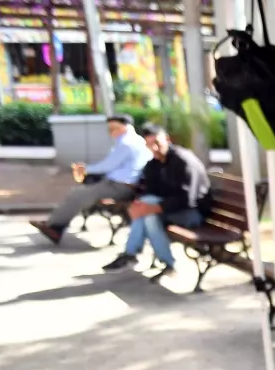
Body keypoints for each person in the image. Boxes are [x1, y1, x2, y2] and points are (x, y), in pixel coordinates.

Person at [101, 124, 211, 277]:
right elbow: (150, 191)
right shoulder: (154, 164)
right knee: (146, 211)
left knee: (149, 216)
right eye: (149, 145)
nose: (154, 149)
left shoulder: (183, 161)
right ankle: (142, 257)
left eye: (157, 143)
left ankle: (146, 258)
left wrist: (151, 208)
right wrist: (138, 205)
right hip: (169, 209)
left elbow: (187, 199)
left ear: (167, 139)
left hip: (193, 213)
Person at [29, 114, 150, 244]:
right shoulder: (134, 141)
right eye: (109, 129)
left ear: (125, 127)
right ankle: (55, 225)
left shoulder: (127, 143)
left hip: (120, 186)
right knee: (80, 193)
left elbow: (108, 165)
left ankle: (54, 227)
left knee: (77, 194)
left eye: (113, 128)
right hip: (120, 184)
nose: (110, 132)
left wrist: (86, 169)